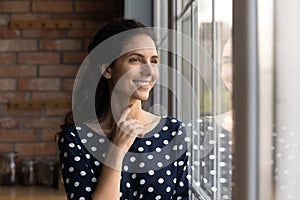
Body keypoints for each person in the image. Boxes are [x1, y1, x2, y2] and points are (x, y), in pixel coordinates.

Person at [58, 18, 189, 200]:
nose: (149, 71)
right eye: (135, 60)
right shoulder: (76, 139)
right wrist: (117, 149)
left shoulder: (173, 132)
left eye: (154, 61)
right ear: (107, 69)